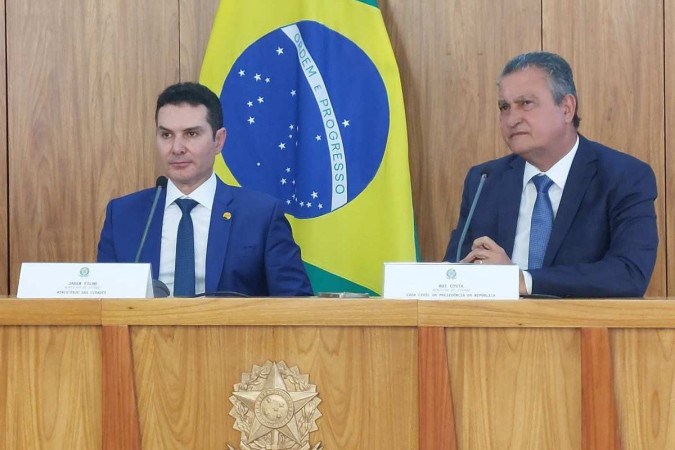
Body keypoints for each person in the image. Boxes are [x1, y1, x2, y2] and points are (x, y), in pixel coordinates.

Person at [444, 52, 658, 298]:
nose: (512, 119)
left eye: (526, 103)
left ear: (567, 108)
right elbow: (453, 271)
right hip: (492, 331)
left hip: (583, 332)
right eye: (504, 107)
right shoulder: (484, 180)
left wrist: (523, 280)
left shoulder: (624, 177)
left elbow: (629, 273)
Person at [97, 82, 313, 297]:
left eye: (191, 134)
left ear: (218, 141)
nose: (177, 148)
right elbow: (102, 303)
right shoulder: (123, 215)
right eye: (166, 135)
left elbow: (297, 304)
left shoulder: (261, 215)